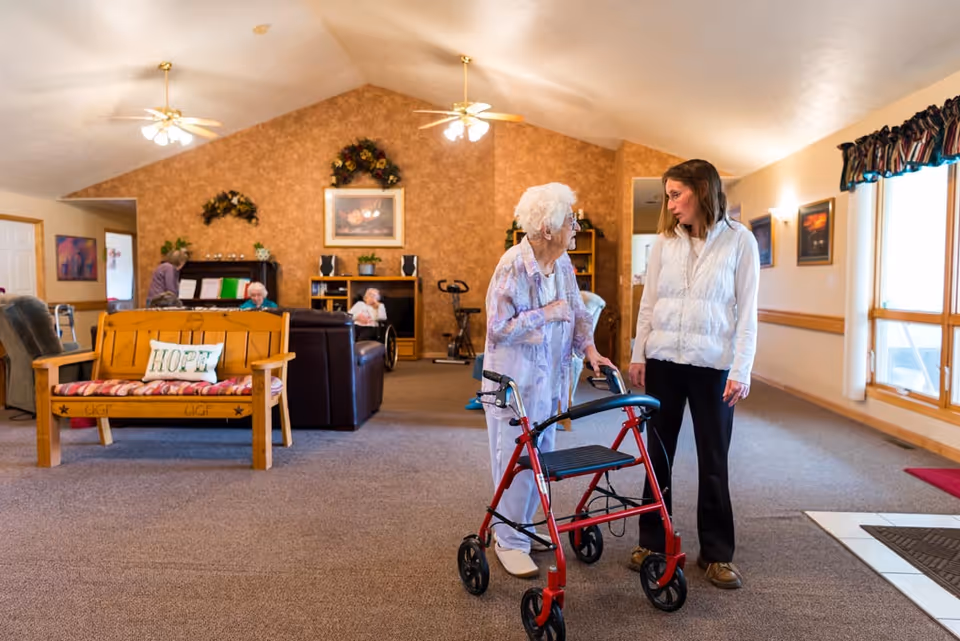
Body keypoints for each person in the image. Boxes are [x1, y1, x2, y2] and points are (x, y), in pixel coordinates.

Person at [628, 159, 759, 589]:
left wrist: (741, 369)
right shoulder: (664, 243)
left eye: (675, 194)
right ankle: (652, 541)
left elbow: (747, 312)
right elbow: (648, 303)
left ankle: (717, 554)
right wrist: (639, 353)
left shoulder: (740, 242)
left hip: (713, 367)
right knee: (658, 455)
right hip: (664, 361)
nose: (670, 204)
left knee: (714, 460)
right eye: (668, 195)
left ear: (702, 191)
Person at [483, 182, 614, 578]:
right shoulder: (512, 265)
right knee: (516, 460)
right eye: (570, 219)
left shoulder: (562, 265)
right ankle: (508, 540)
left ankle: (519, 530)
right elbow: (497, 328)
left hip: (550, 382)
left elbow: (575, 311)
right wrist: (548, 313)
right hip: (515, 384)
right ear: (546, 228)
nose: (576, 225)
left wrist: (589, 350)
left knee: (541, 460)